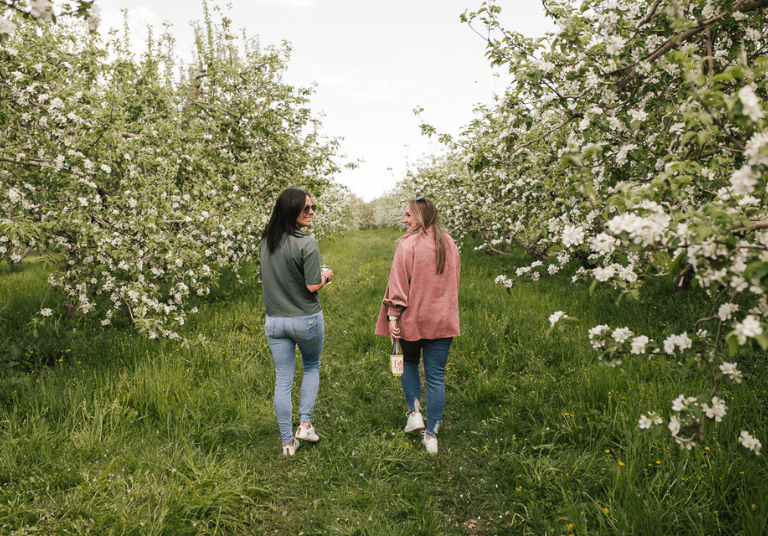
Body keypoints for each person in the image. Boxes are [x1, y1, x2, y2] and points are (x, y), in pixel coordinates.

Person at [375, 196, 460, 454]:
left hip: (412, 320)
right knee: (436, 377)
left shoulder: (407, 245)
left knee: (408, 363)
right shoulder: (450, 244)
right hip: (443, 322)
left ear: (421, 217)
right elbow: (453, 282)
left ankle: (415, 412)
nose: (404, 219)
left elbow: (398, 286)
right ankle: (431, 436)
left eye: (408, 215)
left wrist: (392, 317)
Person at [259, 188, 333, 456]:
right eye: (306, 208)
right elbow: (312, 285)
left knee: (283, 380)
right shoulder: (307, 244)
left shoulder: (266, 243)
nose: (312, 212)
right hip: (305, 319)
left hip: (275, 322)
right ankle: (304, 424)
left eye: (312, 208)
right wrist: (327, 275)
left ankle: (287, 444)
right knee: (312, 366)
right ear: (292, 211)